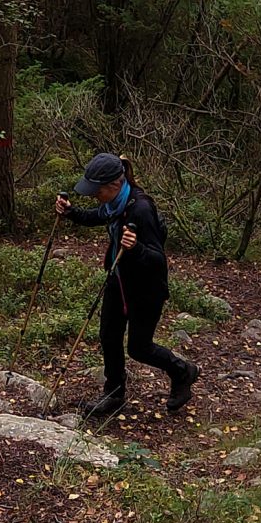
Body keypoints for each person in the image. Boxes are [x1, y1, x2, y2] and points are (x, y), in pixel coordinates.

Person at [55, 152, 200, 420]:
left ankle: (183, 371)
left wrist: (134, 250)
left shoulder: (140, 209)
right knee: (109, 336)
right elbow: (98, 216)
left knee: (139, 348)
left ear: (114, 185)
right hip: (119, 280)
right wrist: (71, 213)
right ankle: (114, 393)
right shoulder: (115, 204)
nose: (93, 195)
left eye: (96, 190)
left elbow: (158, 260)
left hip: (146, 290)